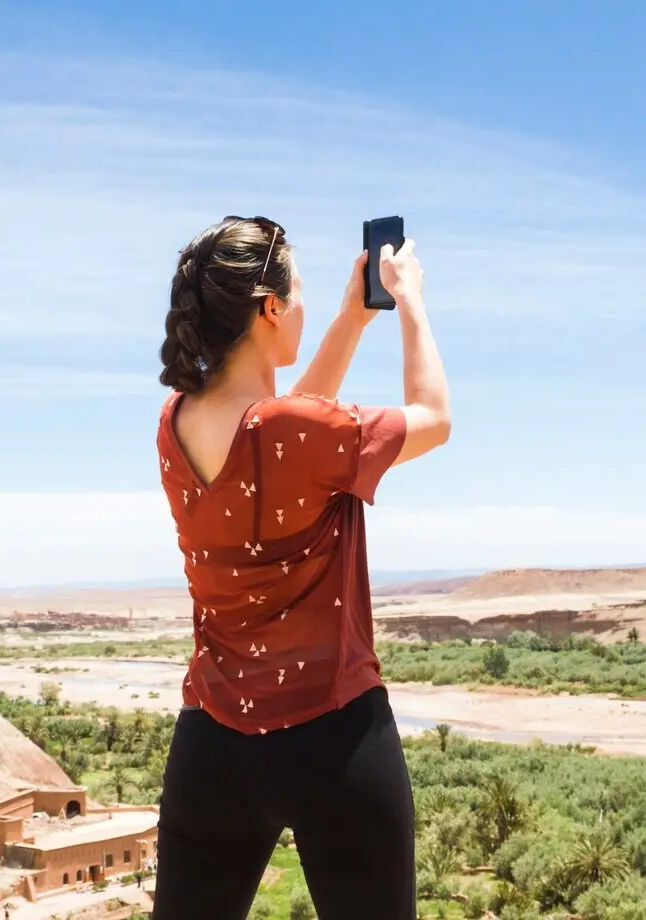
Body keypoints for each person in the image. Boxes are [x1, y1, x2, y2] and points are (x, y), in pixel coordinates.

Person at [151, 216, 451, 920]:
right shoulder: (295, 434)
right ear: (271, 308)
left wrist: (350, 318)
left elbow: (280, 436)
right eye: (302, 290)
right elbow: (433, 416)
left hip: (214, 748)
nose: (308, 302)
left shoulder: (174, 424)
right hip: (336, 742)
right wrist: (408, 300)